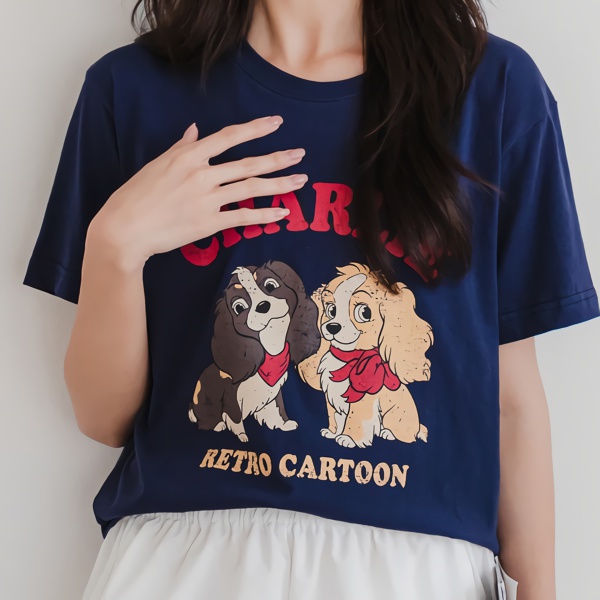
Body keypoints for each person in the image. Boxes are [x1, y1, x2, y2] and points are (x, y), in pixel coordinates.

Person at [22, 0, 599, 598]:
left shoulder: (491, 91)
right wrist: (114, 248)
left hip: (415, 569)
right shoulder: (131, 90)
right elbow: (103, 418)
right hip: (188, 561)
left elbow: (511, 404)